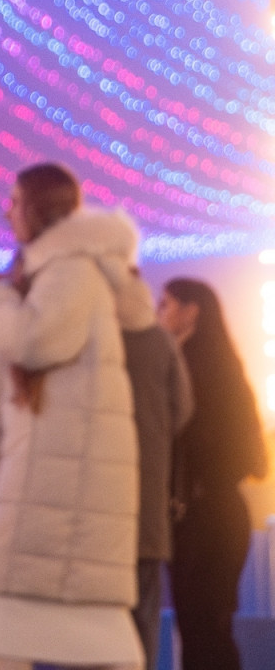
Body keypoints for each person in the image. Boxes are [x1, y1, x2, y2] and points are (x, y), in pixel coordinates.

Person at [0, 162, 145, 670]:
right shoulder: (62, 269)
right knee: (33, 627)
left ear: (39, 208)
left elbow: (37, 342)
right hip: (56, 482)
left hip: (59, 486)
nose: (6, 210)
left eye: (15, 200)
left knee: (29, 622)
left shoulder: (71, 268)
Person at [161, 277, 268, 670]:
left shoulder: (189, 371)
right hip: (220, 515)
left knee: (200, 631)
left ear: (192, 312)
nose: (160, 312)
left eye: (167, 304)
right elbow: (255, 461)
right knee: (210, 630)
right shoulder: (227, 371)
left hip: (200, 518)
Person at [122, 276, 192, 670]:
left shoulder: (89, 338)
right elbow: (182, 410)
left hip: (95, 510)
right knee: (144, 611)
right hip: (147, 502)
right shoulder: (160, 343)